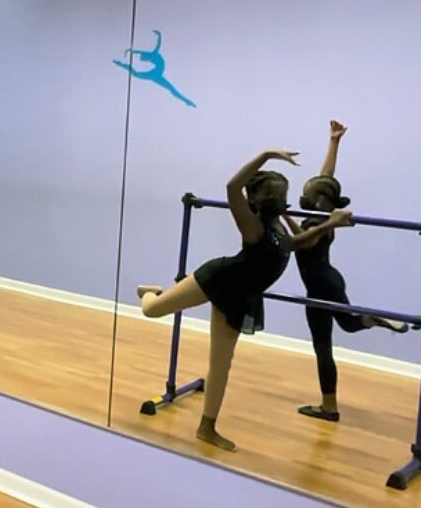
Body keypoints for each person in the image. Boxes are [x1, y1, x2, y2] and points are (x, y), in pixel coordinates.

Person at [135, 147, 347, 450]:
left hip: (240, 297)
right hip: (217, 280)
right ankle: (153, 293)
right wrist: (266, 155)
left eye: (282, 194)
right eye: (273, 195)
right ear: (256, 201)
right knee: (152, 311)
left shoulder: (276, 224)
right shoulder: (252, 225)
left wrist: (330, 223)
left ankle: (206, 428)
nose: (280, 200)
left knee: (221, 364)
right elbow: (232, 187)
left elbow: (298, 243)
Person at [286, 120, 411, 422]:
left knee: (323, 346)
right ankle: (371, 318)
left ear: (318, 200)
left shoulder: (318, 223)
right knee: (350, 326)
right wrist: (334, 142)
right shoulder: (324, 212)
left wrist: (279, 213)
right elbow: (326, 178)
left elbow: (297, 244)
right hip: (329, 280)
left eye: (307, 192)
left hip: (320, 287)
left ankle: (329, 407)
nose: (304, 194)